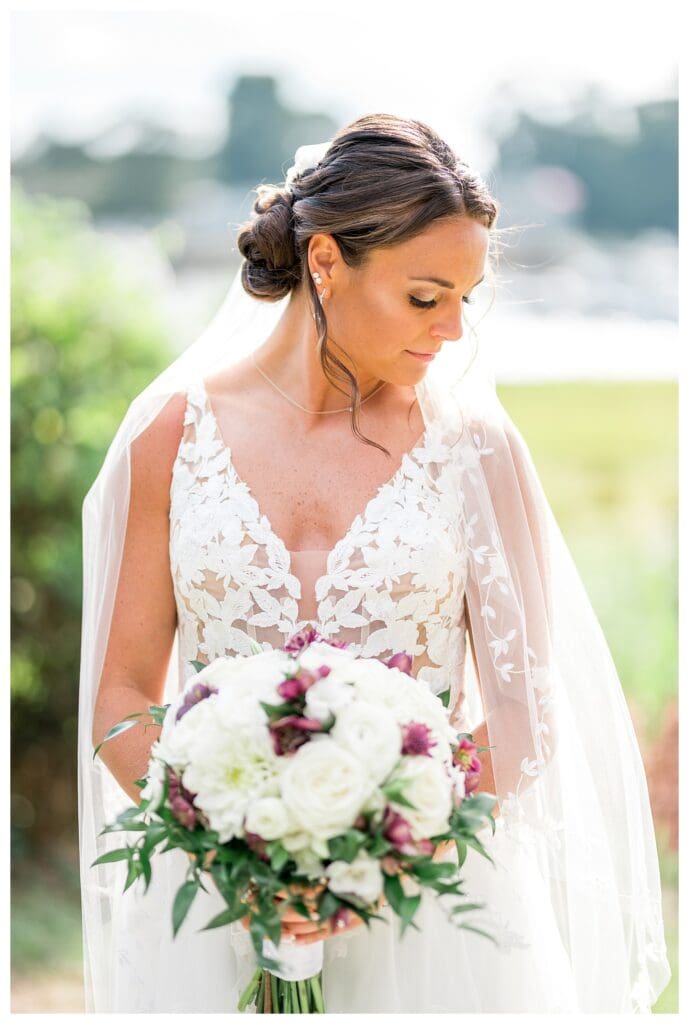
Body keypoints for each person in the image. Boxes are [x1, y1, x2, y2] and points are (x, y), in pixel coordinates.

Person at [79, 112, 671, 1012]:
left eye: (465, 299)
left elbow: (523, 709)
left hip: (432, 912)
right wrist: (230, 847)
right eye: (426, 298)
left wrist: (375, 859)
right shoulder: (171, 436)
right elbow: (121, 695)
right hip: (215, 906)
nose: (452, 331)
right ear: (324, 260)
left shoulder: (474, 447)